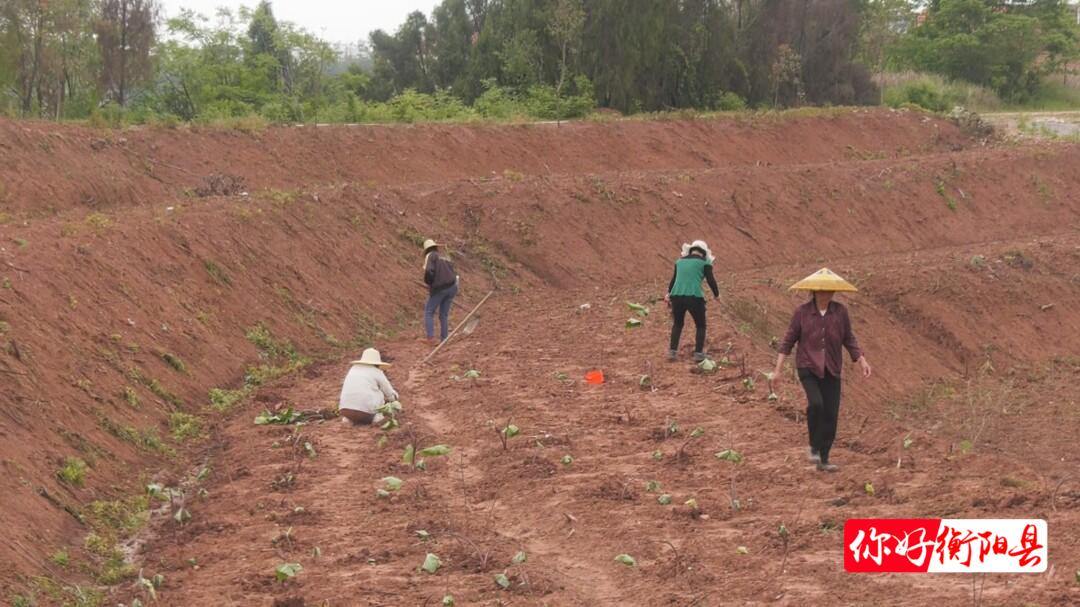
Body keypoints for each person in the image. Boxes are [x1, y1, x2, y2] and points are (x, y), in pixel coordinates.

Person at [772, 268, 872, 472]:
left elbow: (849, 338)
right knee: (816, 404)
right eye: (822, 290)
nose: (826, 294)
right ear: (814, 292)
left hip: (832, 368)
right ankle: (814, 446)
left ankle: (823, 459)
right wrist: (777, 370)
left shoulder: (840, 312)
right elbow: (788, 341)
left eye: (829, 291)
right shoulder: (802, 312)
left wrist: (862, 360)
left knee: (831, 415)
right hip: (808, 366)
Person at [665, 240, 720, 362]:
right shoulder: (705, 263)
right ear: (703, 253)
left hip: (676, 296)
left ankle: (672, 353)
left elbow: (673, 280)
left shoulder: (679, 262)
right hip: (694, 297)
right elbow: (711, 280)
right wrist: (716, 295)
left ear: (691, 250)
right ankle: (698, 354)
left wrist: (668, 294)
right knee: (701, 325)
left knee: (677, 324)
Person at [339, 348, 398, 425]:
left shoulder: (353, 369)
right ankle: (376, 418)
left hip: (345, 410)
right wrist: (394, 399)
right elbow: (388, 391)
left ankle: (348, 419)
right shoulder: (377, 371)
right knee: (379, 394)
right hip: (366, 412)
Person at [422, 238, 459, 343]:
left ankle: (430, 338)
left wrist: (429, 283)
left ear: (427, 250)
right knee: (443, 314)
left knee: (429, 311)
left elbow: (429, 271)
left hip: (440, 288)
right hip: (452, 286)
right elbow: (452, 270)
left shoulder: (430, 256)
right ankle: (444, 339)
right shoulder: (444, 256)